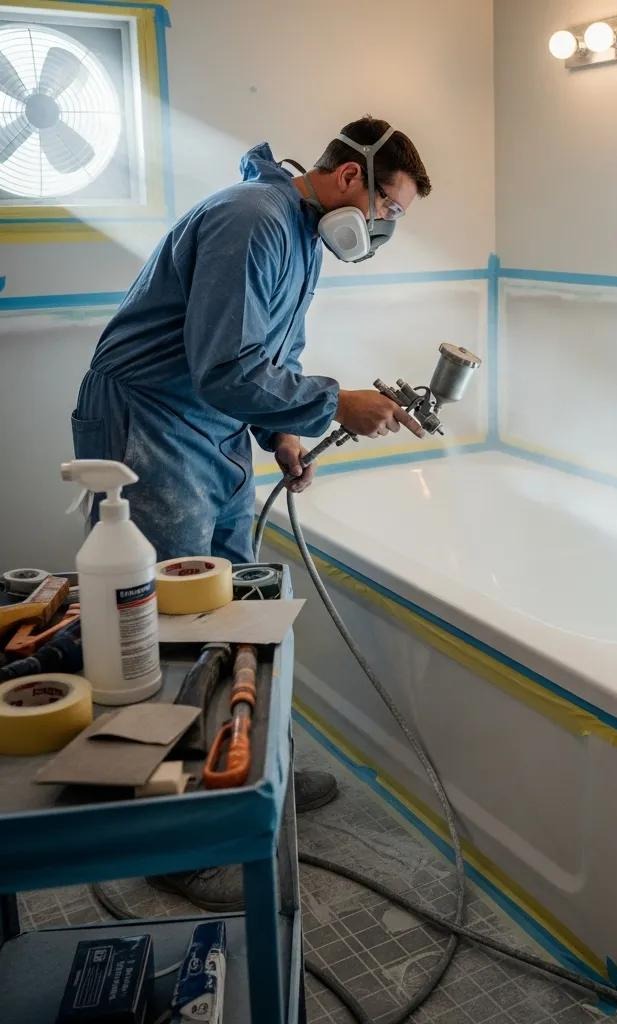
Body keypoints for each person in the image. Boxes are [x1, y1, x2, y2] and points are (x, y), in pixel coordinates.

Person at [71, 116, 431, 910]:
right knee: (164, 629)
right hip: (152, 425)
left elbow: (265, 362)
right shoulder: (251, 219)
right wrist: (337, 402)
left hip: (214, 427)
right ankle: (168, 830)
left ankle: (241, 772)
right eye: (389, 211)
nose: (385, 229)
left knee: (239, 610)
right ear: (349, 181)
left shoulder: (298, 237)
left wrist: (281, 434)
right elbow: (223, 364)